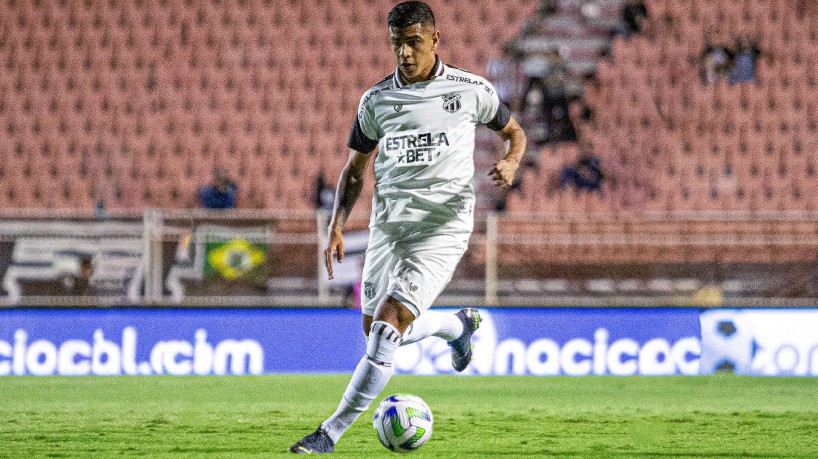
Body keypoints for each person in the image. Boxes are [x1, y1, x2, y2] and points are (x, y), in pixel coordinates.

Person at [288, 1, 526, 454]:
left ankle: (328, 433)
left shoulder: (470, 90)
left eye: (414, 42)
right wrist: (337, 225)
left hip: (442, 227)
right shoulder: (376, 101)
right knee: (377, 333)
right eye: (397, 43)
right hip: (389, 228)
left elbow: (515, 132)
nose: (404, 53)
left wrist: (512, 161)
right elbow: (355, 170)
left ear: (435, 40)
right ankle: (455, 328)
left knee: (385, 329)